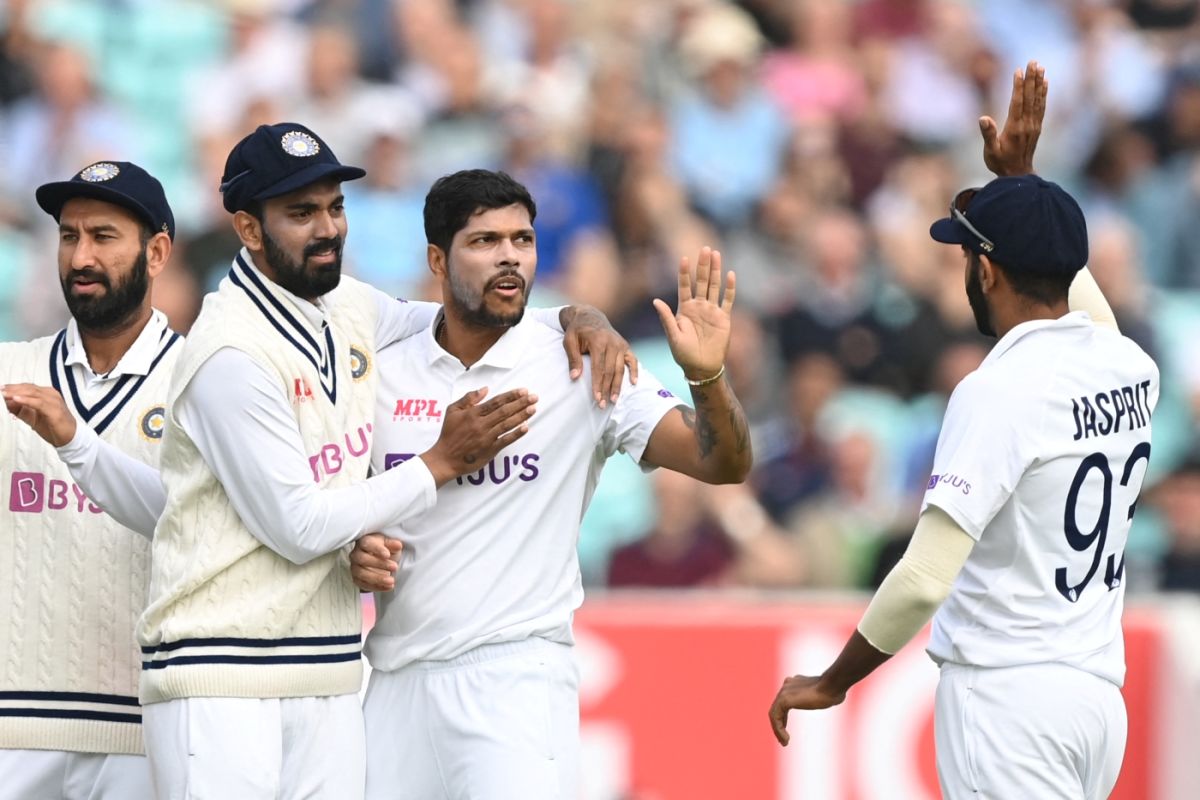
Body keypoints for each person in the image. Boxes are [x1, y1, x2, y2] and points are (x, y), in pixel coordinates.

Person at [7, 123, 635, 799]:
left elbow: (465, 313)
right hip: (221, 673)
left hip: (329, 671)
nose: (328, 228)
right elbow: (298, 526)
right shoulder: (229, 352)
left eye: (335, 207)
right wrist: (438, 462)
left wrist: (577, 315)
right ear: (248, 229)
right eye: (300, 213)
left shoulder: (346, 305)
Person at [768, 63, 1159, 799]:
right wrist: (1026, 188)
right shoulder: (1132, 366)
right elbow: (1086, 310)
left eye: (967, 255)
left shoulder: (997, 389)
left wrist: (833, 680)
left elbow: (921, 580)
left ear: (986, 272)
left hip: (1007, 698)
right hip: (1096, 702)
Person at [348, 169, 753, 799]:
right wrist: (353, 548)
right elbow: (337, 506)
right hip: (393, 678)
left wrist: (707, 378)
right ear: (436, 258)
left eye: (523, 239)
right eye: (484, 241)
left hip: (516, 680)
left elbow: (723, 463)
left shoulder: (584, 360)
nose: (509, 255)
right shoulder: (381, 368)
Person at [0, 161, 178, 799]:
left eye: (104, 236)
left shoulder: (203, 379)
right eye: (69, 236)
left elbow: (197, 523)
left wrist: (75, 441)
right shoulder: (10, 370)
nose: (81, 256)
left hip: (147, 722)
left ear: (156, 252)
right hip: (14, 722)